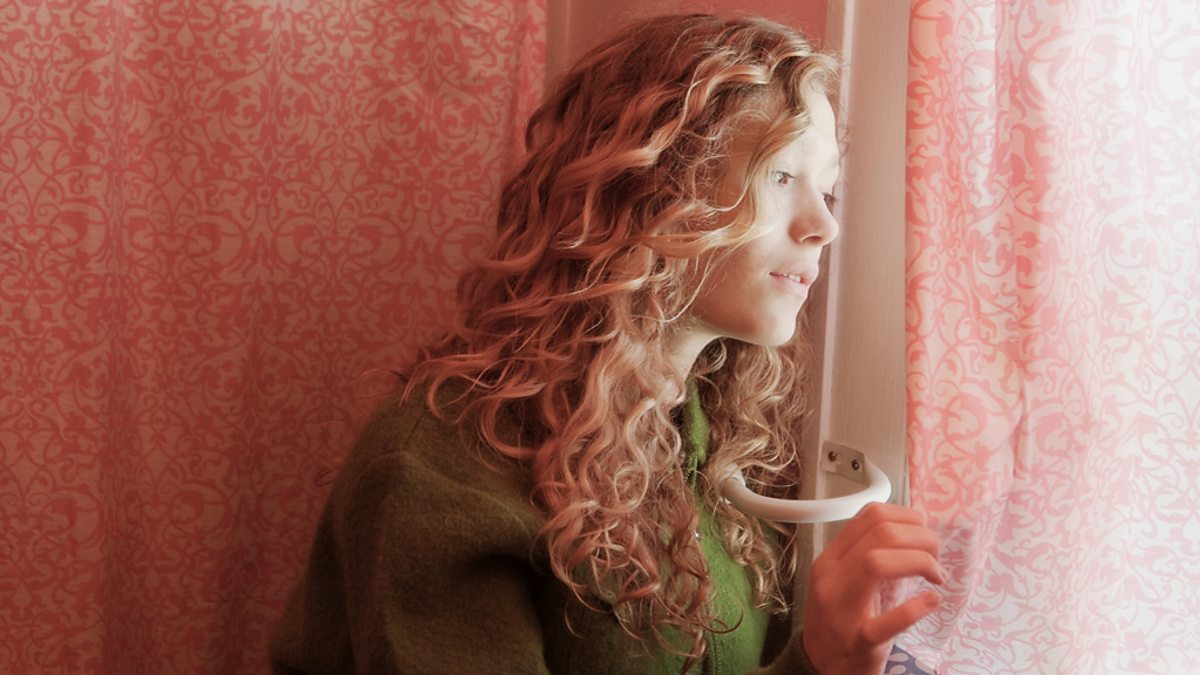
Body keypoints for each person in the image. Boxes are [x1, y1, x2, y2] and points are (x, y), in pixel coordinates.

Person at [270, 13, 944, 675]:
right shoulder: (439, 467)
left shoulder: (718, 436)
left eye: (828, 190)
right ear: (649, 189)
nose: (825, 225)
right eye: (780, 176)